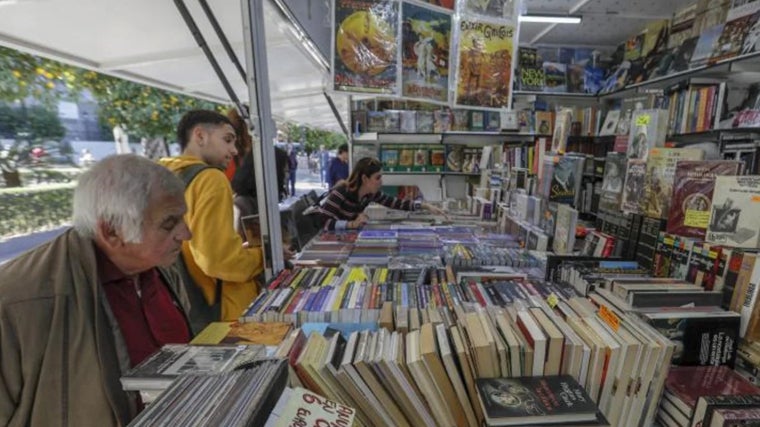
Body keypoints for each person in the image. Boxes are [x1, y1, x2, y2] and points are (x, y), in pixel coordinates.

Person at [0, 154, 193, 425]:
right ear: (112, 230)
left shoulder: (162, 268)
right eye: (169, 224)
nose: (187, 234)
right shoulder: (19, 299)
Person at [159, 110, 264, 330]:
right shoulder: (211, 179)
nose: (234, 150)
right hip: (225, 309)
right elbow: (219, 260)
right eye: (227, 140)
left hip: (185, 304)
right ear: (200, 136)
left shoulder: (163, 173)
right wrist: (263, 256)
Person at [316, 157, 446, 230]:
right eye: (377, 178)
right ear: (365, 179)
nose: (381, 182)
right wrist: (350, 224)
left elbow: (397, 203)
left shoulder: (370, 194)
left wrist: (426, 206)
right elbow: (322, 222)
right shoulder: (341, 191)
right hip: (331, 240)